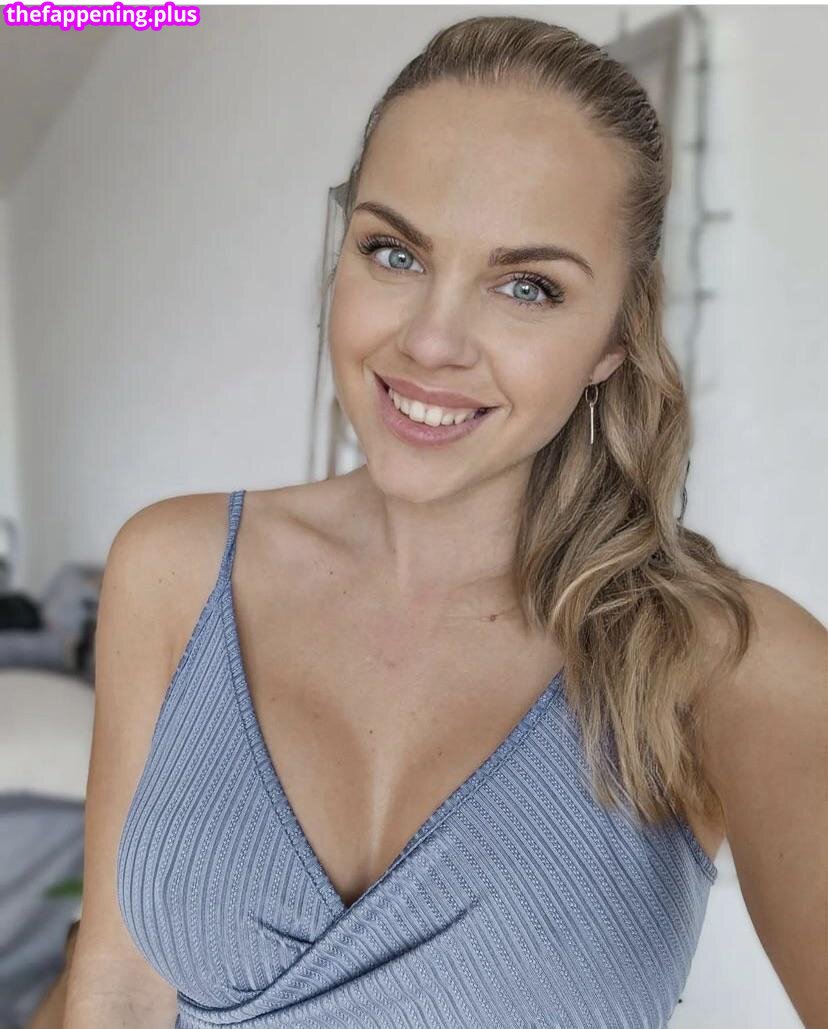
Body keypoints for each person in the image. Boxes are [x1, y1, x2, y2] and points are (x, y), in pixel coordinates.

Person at [63, 14, 827, 1029]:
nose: (431, 341)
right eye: (394, 253)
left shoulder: (726, 661)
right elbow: (116, 984)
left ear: (614, 337)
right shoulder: (173, 568)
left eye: (527, 286)